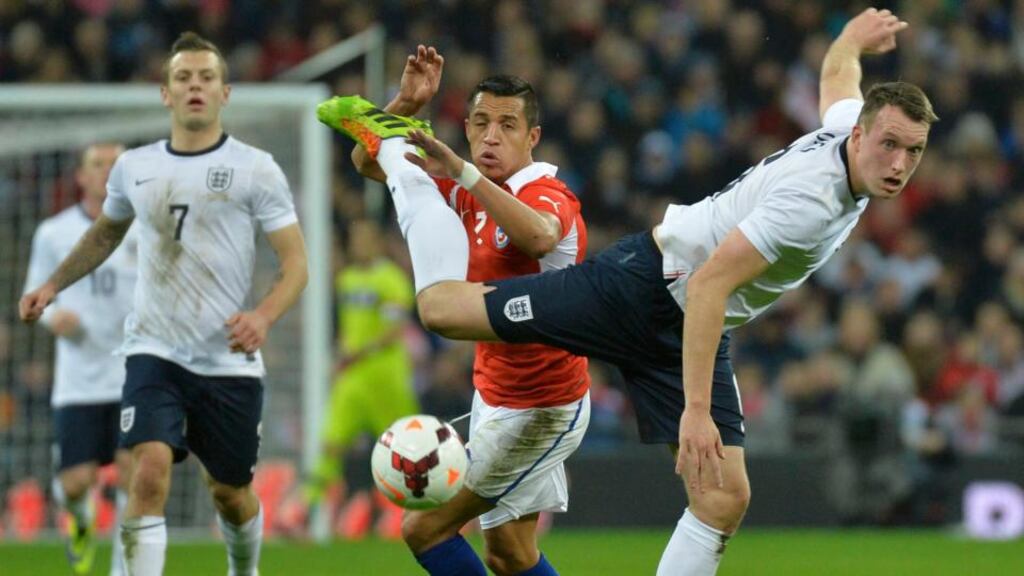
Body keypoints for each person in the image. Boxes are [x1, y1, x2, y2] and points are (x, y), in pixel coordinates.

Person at [319, 8, 933, 575]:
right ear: (858, 136)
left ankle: (390, 136)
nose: (900, 163)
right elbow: (714, 282)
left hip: (681, 322)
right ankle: (392, 136)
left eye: (914, 151)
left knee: (722, 496)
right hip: (638, 287)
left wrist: (851, 40)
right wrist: (695, 411)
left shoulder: (850, 141)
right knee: (442, 311)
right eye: (889, 145)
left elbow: (837, 76)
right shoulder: (810, 201)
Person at [19, 32, 309, 576]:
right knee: (147, 471)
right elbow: (104, 235)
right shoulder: (135, 167)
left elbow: (297, 265)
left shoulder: (257, 168)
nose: (194, 86)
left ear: (226, 92)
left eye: (205, 78)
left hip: (227, 358)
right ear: (165, 94)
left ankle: (243, 569)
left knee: (230, 493)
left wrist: (263, 316)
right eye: (183, 78)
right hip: (155, 350)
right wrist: (53, 285)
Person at [327, 47, 591, 575]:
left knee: (424, 528)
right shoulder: (462, 190)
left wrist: (465, 174)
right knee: (510, 555)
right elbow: (367, 160)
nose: (492, 135)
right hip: (494, 393)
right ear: (467, 128)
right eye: (480, 122)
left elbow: (540, 238)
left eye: (508, 125)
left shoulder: (546, 192)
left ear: (532, 138)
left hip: (544, 404)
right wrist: (405, 102)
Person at [23, 142, 133, 576]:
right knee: (75, 482)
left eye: (116, 164)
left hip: (134, 371)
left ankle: (126, 568)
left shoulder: (145, 228)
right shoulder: (53, 233)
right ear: (81, 178)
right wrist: (53, 319)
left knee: (134, 473)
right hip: (80, 378)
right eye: (98, 164)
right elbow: (35, 296)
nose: (108, 171)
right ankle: (80, 518)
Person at [304, 218, 419, 539]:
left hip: (386, 376)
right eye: (355, 239)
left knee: (405, 450)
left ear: (377, 242)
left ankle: (418, 516)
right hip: (352, 377)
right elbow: (348, 328)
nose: (359, 245)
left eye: (365, 238)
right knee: (331, 442)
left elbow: (394, 330)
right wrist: (340, 354)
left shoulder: (392, 279)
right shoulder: (347, 280)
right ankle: (306, 514)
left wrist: (359, 351)